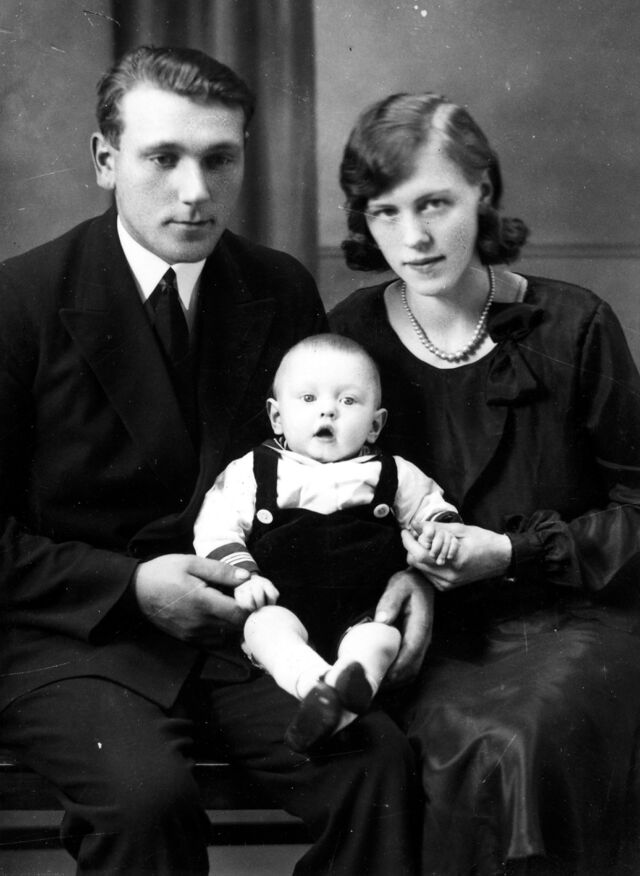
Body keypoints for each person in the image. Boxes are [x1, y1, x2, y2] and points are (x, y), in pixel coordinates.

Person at [0, 48, 426, 876]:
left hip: (250, 632)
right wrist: (131, 586)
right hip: (77, 639)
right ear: (105, 160)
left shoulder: (278, 287)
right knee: (145, 801)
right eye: (163, 158)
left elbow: (334, 479)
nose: (195, 190)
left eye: (219, 159)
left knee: (376, 766)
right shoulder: (19, 301)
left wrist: (406, 572)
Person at [329, 91, 640, 876]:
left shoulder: (573, 324)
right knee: (439, 748)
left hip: (575, 621)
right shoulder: (350, 337)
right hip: (431, 637)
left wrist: (508, 552)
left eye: (434, 203)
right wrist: (407, 577)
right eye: (386, 212)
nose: (414, 237)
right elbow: (328, 505)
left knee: (521, 742)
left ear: (483, 190)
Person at [193, 332, 461, 753]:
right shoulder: (253, 471)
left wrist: (440, 532)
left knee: (381, 638)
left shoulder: (394, 473)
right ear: (277, 417)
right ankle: (317, 688)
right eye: (308, 398)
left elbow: (433, 508)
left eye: (348, 401)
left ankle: (343, 690)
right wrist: (244, 575)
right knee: (263, 628)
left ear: (375, 424)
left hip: (363, 610)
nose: (328, 410)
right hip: (283, 603)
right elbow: (216, 526)